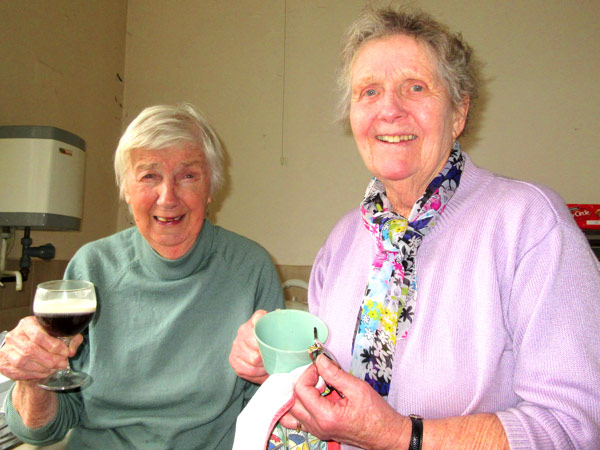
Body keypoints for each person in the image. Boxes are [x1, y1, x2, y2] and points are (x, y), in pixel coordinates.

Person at [229, 6, 600, 450]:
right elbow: (335, 391)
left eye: (416, 87)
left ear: (459, 111)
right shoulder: (343, 241)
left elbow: (575, 429)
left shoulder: (530, 224)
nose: (389, 109)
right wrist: (277, 365)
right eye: (369, 91)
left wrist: (400, 435)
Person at [0, 103, 285, 449]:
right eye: (149, 176)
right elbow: (41, 429)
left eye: (188, 175)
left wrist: (279, 372)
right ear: (126, 190)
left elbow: (268, 412)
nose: (168, 197)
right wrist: (33, 378)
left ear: (211, 187)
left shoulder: (250, 268)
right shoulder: (92, 267)